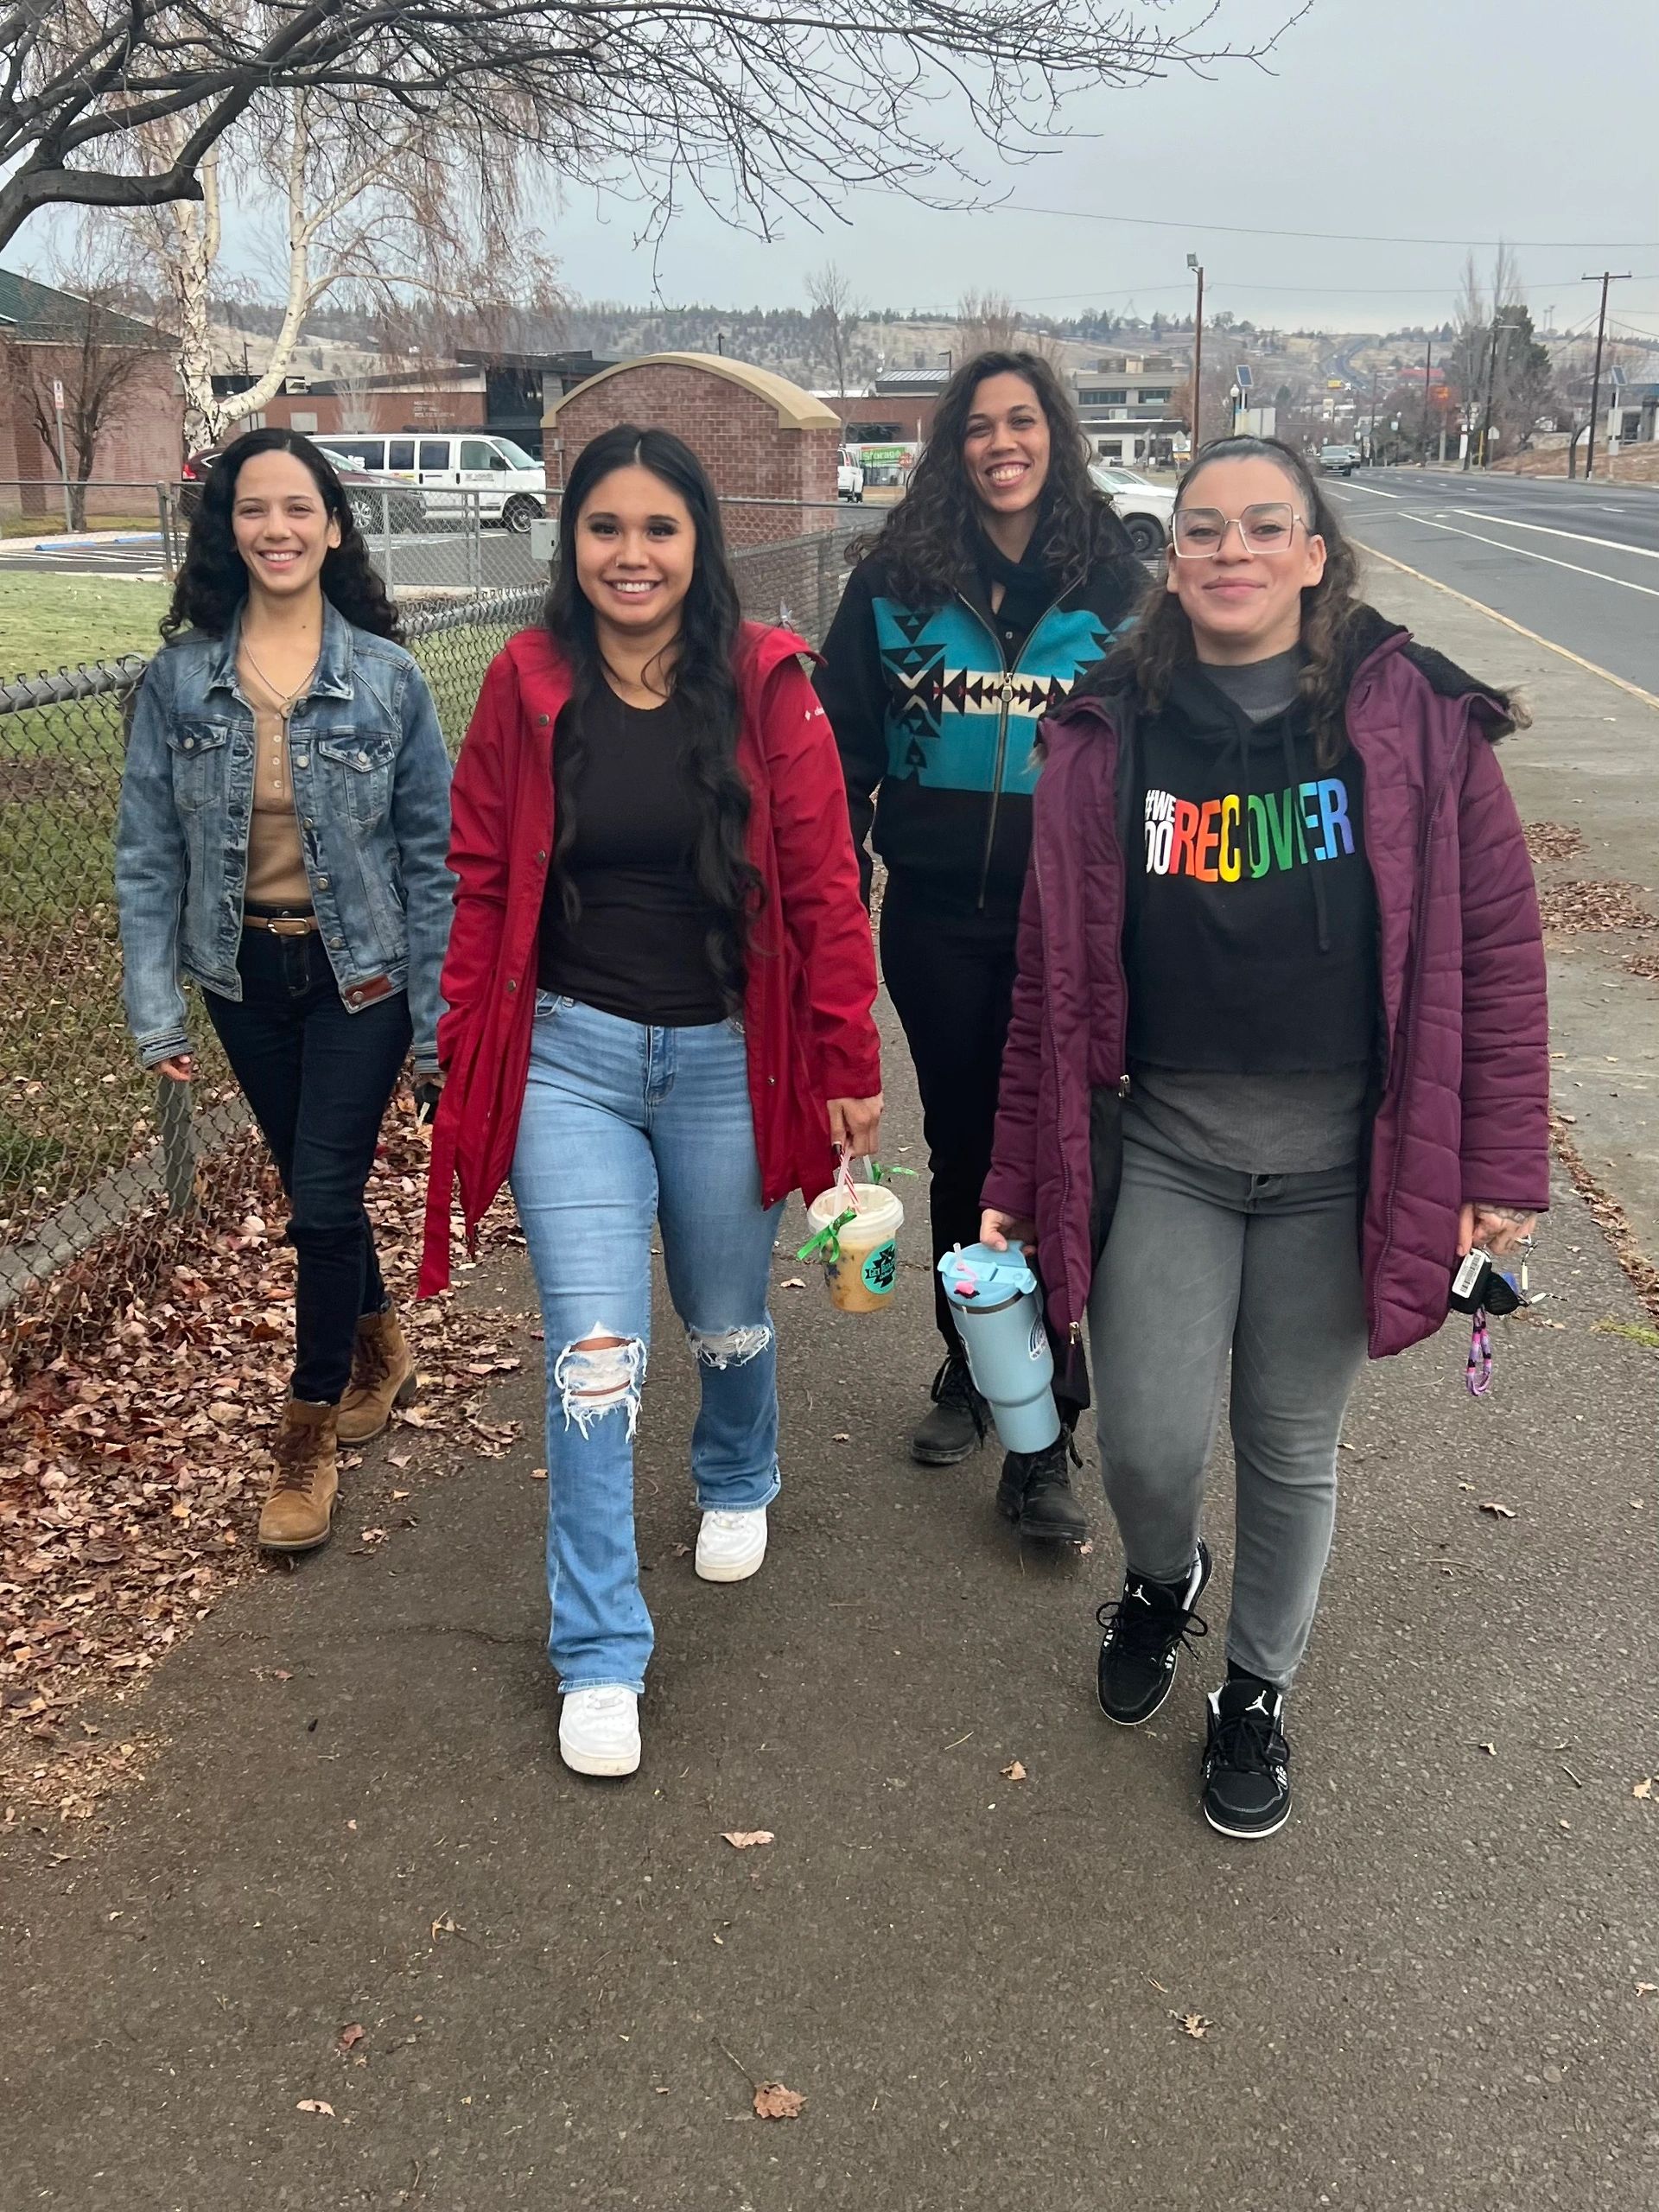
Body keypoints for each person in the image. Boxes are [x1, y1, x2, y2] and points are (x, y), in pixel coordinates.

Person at [981, 435, 1548, 1839]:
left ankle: (1254, 1689)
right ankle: (1164, 1580)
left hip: (1347, 1159)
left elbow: (1494, 945)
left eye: (1261, 528)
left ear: (1313, 552)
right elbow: (1050, 983)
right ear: (1170, 561)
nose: (1229, 552)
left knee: (1292, 1445)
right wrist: (1006, 1177)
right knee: (1151, 1448)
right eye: (1200, 531)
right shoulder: (1107, 729)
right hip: (1164, 1140)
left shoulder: (1412, 717)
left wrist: (1499, 1164)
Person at [420, 425, 881, 1782]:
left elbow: (822, 886)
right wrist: (459, 1035)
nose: (631, 554)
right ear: (571, 542)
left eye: (658, 529)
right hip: (570, 1059)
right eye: (604, 527)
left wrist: (849, 1061)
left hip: (731, 1058)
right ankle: (600, 1650)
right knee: (594, 1355)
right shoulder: (526, 679)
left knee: (729, 1318)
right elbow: (479, 865)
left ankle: (739, 1470)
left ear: (699, 543)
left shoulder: (766, 686)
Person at [815, 349, 1144, 1541]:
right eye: (979, 428)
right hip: (941, 922)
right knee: (966, 1151)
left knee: (1057, 1158)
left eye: (1024, 422)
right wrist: (841, 888)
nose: (1002, 443)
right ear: (954, 447)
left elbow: (1156, 750)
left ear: (1054, 435)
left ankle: (1042, 1430)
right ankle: (975, 1365)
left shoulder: (1114, 583)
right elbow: (838, 750)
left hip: (1072, 929)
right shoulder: (893, 582)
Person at [115, 429, 455, 1554]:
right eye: (253, 509)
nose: (276, 527)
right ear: (229, 529)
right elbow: (148, 854)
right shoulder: (175, 683)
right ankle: (379, 1342)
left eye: (297, 508)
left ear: (335, 526)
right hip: (242, 979)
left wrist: (434, 1032)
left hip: (362, 978)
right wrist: (156, 1005)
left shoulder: (388, 680)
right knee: (322, 1193)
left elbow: (430, 858)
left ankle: (305, 1431)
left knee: (317, 1201)